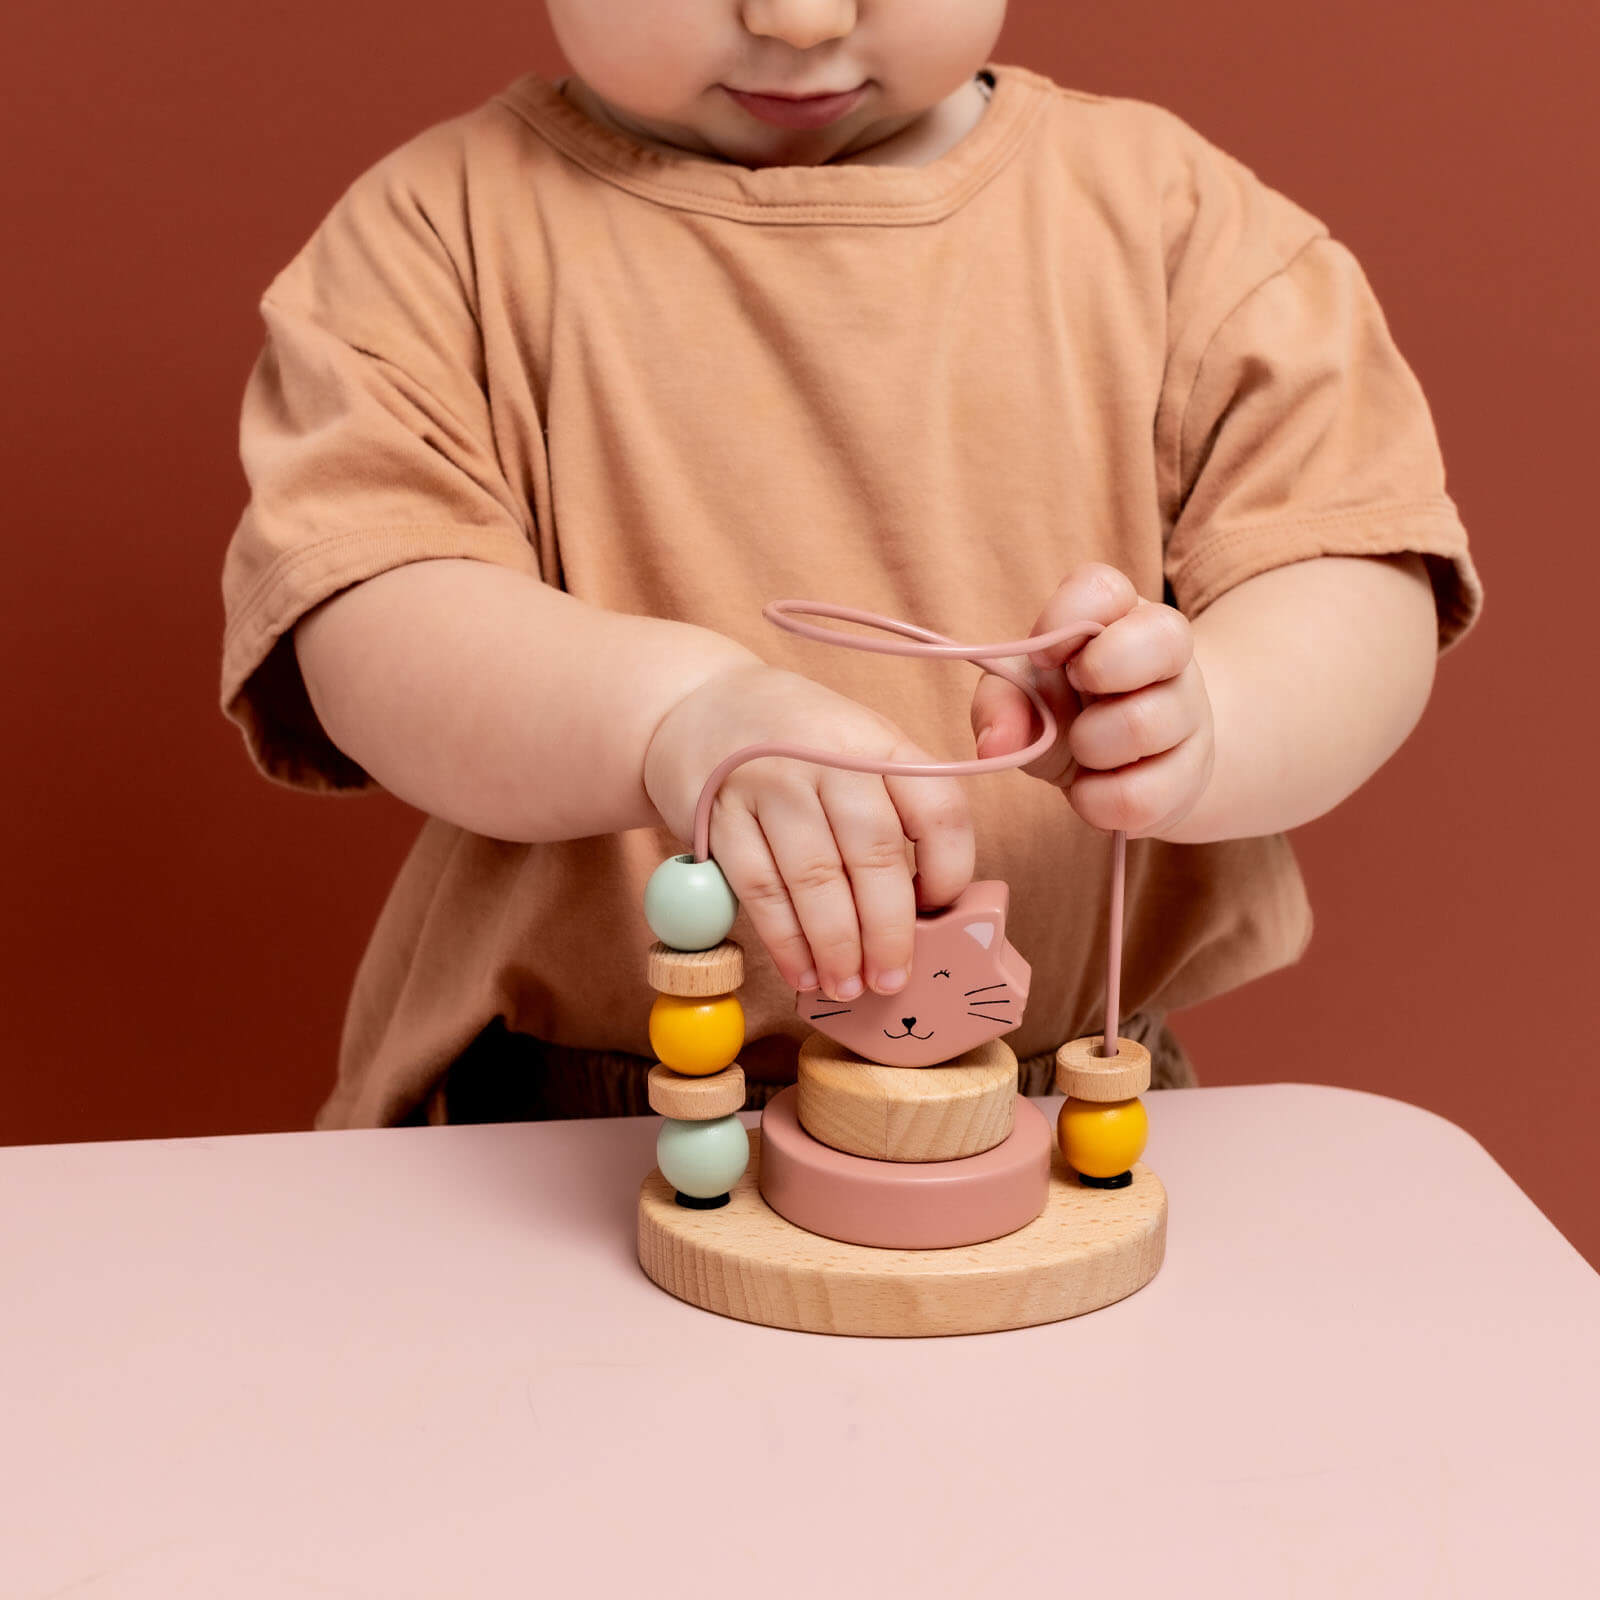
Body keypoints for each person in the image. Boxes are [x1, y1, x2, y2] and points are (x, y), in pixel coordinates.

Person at [218, 0, 1481, 1129]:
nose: (804, 17)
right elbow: (372, 618)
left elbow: (1351, 563)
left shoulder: (1179, 223)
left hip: (1064, 1104)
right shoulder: (432, 238)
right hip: (569, 1117)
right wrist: (672, 716)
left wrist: (1215, 714)